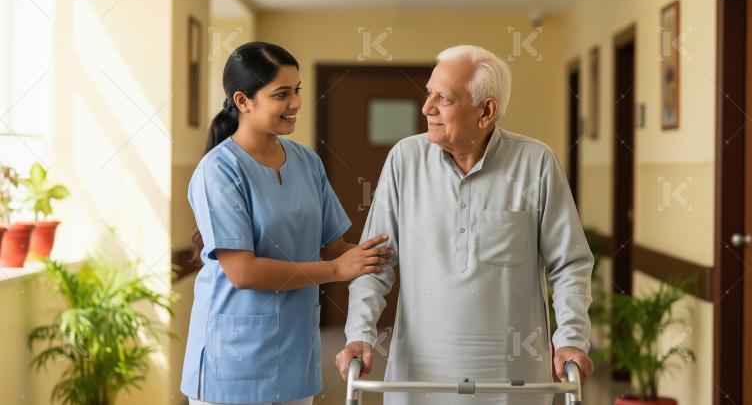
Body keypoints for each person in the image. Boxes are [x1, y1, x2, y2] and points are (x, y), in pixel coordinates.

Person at [335, 45, 594, 405]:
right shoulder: (404, 160)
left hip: (511, 381)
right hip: (419, 380)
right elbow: (374, 264)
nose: (426, 108)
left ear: (486, 111)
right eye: (429, 94)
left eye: (444, 98)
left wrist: (570, 338)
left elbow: (569, 264)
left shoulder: (536, 164)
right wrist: (359, 333)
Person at [181, 41, 392, 405]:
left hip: (295, 355)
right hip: (232, 361)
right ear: (243, 101)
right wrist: (337, 269)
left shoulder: (307, 162)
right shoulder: (218, 171)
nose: (295, 103)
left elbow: (336, 247)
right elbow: (243, 272)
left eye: (297, 91)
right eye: (281, 94)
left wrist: (394, 250)